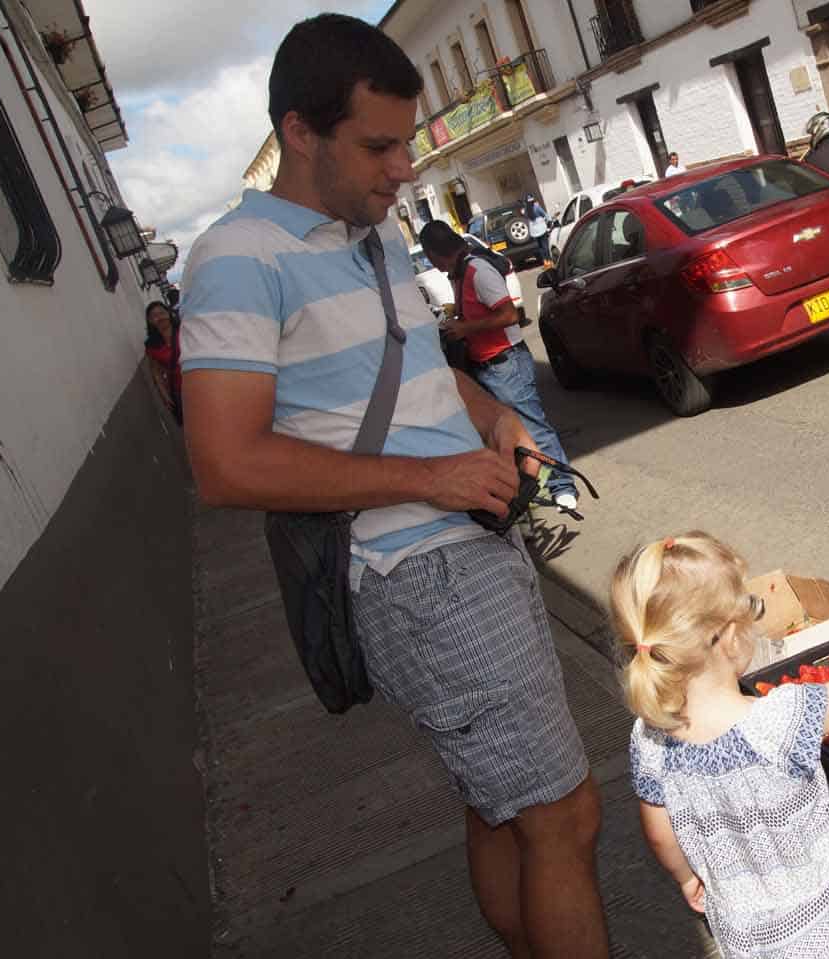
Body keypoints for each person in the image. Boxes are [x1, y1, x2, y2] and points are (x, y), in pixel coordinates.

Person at [175, 15, 607, 958]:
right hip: (418, 574)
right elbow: (224, 464)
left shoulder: (368, 238)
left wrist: (490, 417)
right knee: (563, 815)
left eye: (406, 142)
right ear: (299, 132)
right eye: (378, 144)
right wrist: (434, 476)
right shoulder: (238, 258)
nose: (403, 166)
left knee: (502, 807)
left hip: (464, 548)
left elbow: (411, 371)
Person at [618, 531, 829, 959]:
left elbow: (659, 833)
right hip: (825, 930)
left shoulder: (648, 739)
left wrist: (685, 876)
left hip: (740, 933)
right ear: (731, 635)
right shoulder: (779, 720)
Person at [420, 219, 581, 514]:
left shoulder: (477, 271)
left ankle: (564, 487)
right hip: (486, 366)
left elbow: (509, 314)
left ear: (435, 252)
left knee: (533, 427)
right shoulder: (458, 274)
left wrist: (467, 329)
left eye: (428, 257)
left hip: (507, 363)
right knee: (506, 434)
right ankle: (537, 486)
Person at [144, 300, 182, 424]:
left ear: (169, 313)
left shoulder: (183, 329)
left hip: (200, 382)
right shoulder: (152, 345)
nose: (159, 317)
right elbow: (156, 372)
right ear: (150, 321)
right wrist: (165, 395)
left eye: (162, 313)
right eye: (154, 316)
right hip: (178, 390)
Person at [523, 193, 552, 266]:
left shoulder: (526, 210)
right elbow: (544, 214)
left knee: (540, 247)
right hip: (541, 228)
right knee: (545, 245)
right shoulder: (536, 206)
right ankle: (549, 261)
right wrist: (549, 221)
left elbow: (527, 217)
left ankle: (545, 262)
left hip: (534, 231)